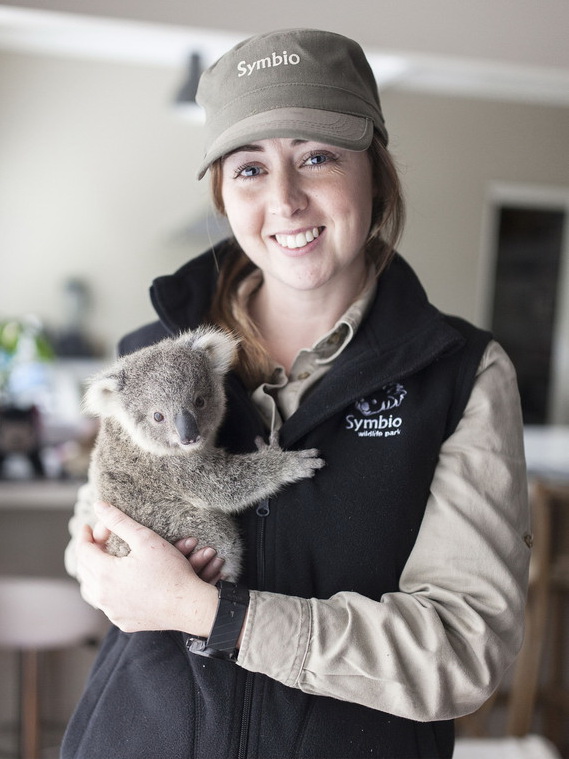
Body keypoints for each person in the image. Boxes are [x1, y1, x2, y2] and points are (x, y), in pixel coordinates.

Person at [61, 28, 531, 759]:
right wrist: (94, 563)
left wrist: (213, 612)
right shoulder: (146, 358)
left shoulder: (460, 373)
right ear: (223, 191)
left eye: (317, 156)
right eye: (249, 168)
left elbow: (464, 651)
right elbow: (95, 534)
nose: (283, 199)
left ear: (375, 172)